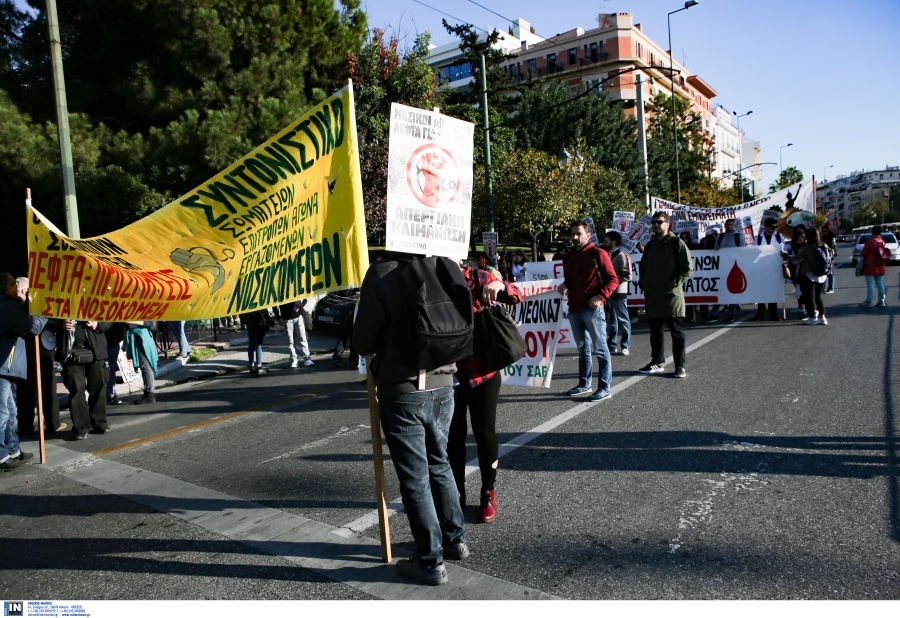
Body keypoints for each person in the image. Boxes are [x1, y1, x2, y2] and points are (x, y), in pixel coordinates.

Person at [354, 254, 468, 586]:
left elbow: (363, 341)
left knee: (415, 478)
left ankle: (430, 561)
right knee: (440, 463)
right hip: (445, 381)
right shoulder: (445, 263)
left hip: (402, 389)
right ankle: (454, 539)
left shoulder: (382, 271)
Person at [448, 261, 523, 524]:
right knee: (452, 437)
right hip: (449, 374)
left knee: (484, 433)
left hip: (483, 372)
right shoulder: (431, 278)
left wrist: (499, 283)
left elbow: (515, 294)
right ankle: (455, 493)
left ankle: (488, 492)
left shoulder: (477, 276)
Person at [557, 219, 618, 402]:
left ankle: (604, 387)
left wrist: (600, 297)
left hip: (592, 310)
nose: (575, 237)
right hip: (574, 310)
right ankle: (584, 383)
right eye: (573, 234)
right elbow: (571, 279)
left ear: (588, 235)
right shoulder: (568, 257)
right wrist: (565, 285)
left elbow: (612, 280)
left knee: (601, 350)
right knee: (582, 349)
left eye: (579, 234)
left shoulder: (597, 253)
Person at [638, 212, 693, 378]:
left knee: (676, 333)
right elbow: (644, 268)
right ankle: (657, 362)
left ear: (667, 224)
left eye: (659, 222)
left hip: (671, 297)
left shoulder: (677, 243)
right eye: (653, 222)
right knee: (655, 332)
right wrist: (644, 283)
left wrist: (673, 284)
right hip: (653, 296)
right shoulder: (650, 246)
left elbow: (687, 269)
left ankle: (680, 366)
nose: (655, 225)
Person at [0, 272, 46, 469]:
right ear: (8, 288)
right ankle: (2, 455)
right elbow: (33, 328)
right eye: (14, 283)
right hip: (2, 368)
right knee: (3, 413)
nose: (17, 285)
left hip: (5, 369)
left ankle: (12, 450)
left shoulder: (8, 305)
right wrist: (43, 309)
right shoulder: (7, 307)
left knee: (10, 411)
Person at [16, 277, 65, 437]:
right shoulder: (27, 306)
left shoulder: (11, 307)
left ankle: (25, 426)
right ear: (25, 291)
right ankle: (53, 423)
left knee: (25, 394)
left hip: (22, 357)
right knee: (47, 389)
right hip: (38, 353)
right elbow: (42, 323)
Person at [58, 318, 113, 438]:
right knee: (77, 391)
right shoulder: (62, 301)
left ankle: (100, 423)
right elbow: (46, 320)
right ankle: (81, 427)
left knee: (98, 388)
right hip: (71, 353)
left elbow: (110, 320)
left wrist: (97, 324)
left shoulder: (97, 300)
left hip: (96, 352)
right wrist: (61, 325)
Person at [784, 227, 829, 325]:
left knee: (810, 298)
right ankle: (822, 317)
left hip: (809, 275)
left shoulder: (808, 247)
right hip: (822, 275)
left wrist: (786, 256)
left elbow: (796, 258)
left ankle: (812, 317)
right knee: (818, 296)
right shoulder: (823, 245)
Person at [603, 231, 632, 356]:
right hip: (609, 293)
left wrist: (612, 281)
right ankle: (612, 345)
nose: (604, 243)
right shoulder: (607, 255)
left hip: (619, 292)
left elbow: (627, 275)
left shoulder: (621, 255)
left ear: (613, 242)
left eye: (606, 241)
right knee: (611, 321)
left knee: (623, 319)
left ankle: (625, 345)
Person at [714, 218, 746, 323]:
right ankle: (714, 313)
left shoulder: (739, 237)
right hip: (722, 268)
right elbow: (715, 251)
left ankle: (731, 312)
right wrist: (717, 250)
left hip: (734, 267)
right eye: (727, 225)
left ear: (734, 225)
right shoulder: (720, 237)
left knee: (733, 290)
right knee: (720, 290)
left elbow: (743, 251)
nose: (729, 226)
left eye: (731, 224)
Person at [755, 218, 785, 321]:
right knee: (761, 290)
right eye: (773, 227)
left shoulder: (778, 236)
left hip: (775, 268)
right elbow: (754, 252)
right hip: (762, 268)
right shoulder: (758, 238)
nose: (775, 229)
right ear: (766, 227)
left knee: (773, 291)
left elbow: (783, 249)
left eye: (776, 227)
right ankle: (760, 313)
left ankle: (774, 313)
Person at [125, 321, 158, 403]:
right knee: (144, 365)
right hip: (138, 335)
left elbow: (150, 322)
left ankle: (149, 394)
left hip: (142, 335)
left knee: (145, 365)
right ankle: (148, 393)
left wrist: (133, 321)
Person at [859, 224, 888, 307]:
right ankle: (881, 301)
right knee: (880, 283)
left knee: (870, 283)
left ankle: (869, 301)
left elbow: (863, 253)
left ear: (872, 232)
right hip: (880, 264)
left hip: (870, 265)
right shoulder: (882, 241)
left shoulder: (870, 242)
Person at [279, 300, 313, 368]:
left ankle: (307, 359)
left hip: (298, 316)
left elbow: (305, 297)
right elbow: (274, 304)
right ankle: (294, 360)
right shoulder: (280, 291)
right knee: (290, 341)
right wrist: (278, 318)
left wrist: (302, 304)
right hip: (287, 318)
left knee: (303, 338)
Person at [242, 309, 275, 374]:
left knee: (251, 344)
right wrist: (271, 322)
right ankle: (258, 365)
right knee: (258, 344)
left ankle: (251, 364)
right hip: (259, 323)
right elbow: (265, 313)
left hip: (250, 322)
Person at [787, 227, 808, 317]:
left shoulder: (806, 247)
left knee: (805, 292)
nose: (798, 241)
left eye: (799, 239)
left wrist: (789, 257)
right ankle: (803, 307)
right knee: (800, 290)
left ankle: (808, 311)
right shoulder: (796, 246)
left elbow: (797, 260)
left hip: (805, 272)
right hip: (799, 272)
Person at [105, 322, 126, 405]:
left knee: (111, 370)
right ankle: (101, 396)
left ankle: (110, 395)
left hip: (112, 341)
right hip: (98, 343)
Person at [820, 228, 838, 294]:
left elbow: (832, 246)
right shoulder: (822, 237)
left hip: (830, 256)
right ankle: (823, 288)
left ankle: (831, 288)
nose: (824, 232)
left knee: (830, 272)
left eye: (825, 231)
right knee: (824, 272)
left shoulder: (831, 237)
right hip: (823, 256)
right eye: (823, 231)